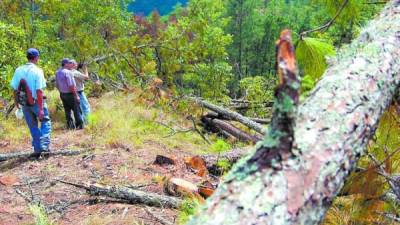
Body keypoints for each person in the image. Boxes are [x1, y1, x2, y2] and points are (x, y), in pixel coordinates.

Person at [10, 48, 51, 156]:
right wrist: (41, 109)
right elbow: (39, 91)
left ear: (27, 57)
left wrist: (17, 103)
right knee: (45, 122)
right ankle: (44, 146)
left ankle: (37, 149)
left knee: (32, 126)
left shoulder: (18, 70)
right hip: (36, 103)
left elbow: (15, 89)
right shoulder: (37, 71)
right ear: (36, 57)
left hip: (24, 104)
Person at [55, 58, 83, 129]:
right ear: (66, 64)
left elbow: (57, 84)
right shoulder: (68, 72)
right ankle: (79, 125)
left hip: (62, 94)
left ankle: (70, 126)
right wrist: (76, 95)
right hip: (70, 94)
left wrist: (61, 92)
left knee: (67, 110)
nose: (71, 64)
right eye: (69, 63)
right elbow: (71, 85)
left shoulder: (58, 72)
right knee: (76, 110)